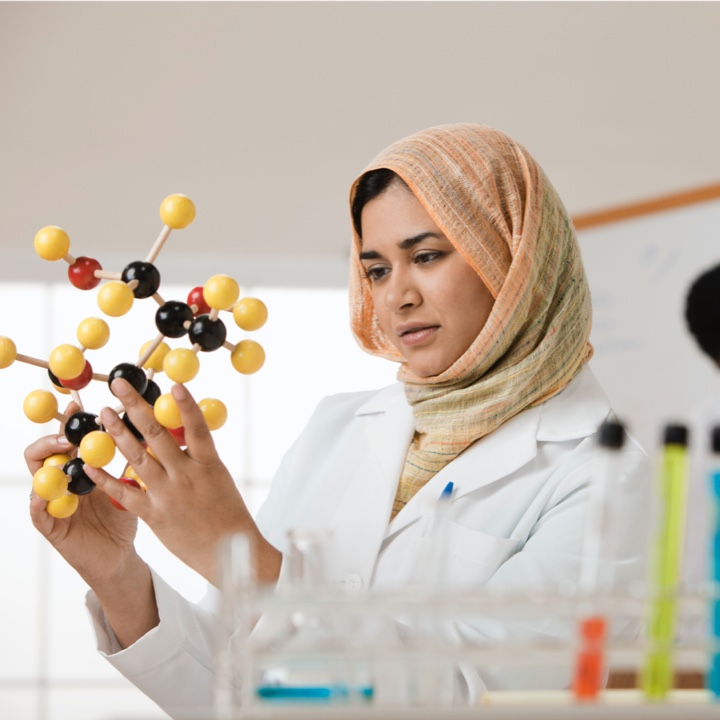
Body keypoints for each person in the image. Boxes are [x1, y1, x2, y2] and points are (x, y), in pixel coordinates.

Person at [25, 124, 651, 717]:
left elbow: (474, 699)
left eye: (427, 256)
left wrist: (234, 554)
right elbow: (233, 686)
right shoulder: (341, 425)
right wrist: (117, 575)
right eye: (376, 268)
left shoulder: (610, 479)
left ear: (515, 260)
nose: (396, 295)